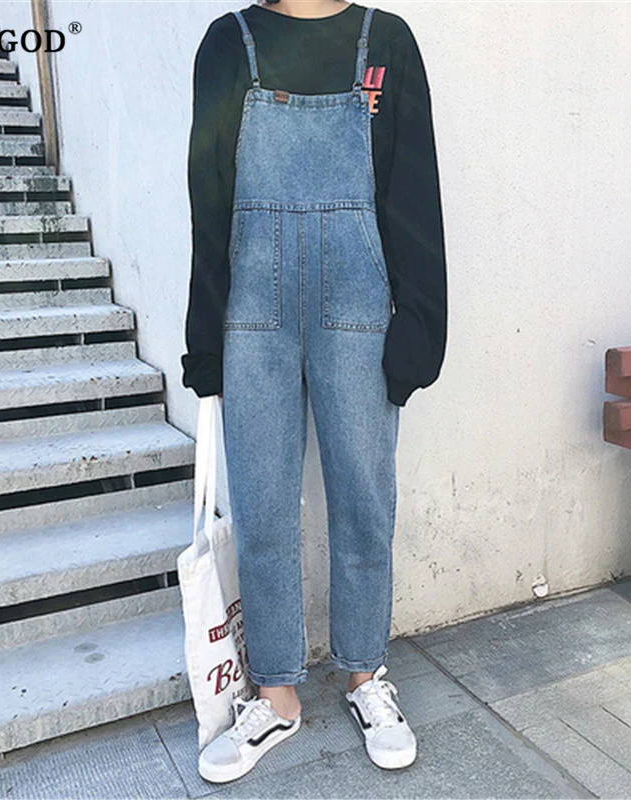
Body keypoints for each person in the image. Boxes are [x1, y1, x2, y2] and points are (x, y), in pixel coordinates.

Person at [181, 0, 447, 783]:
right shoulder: (228, 43)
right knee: (262, 504)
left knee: (364, 496)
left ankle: (365, 675)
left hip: (359, 313)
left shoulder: (385, 41)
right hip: (251, 318)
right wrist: (205, 340)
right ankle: (276, 693)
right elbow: (208, 200)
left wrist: (420, 327)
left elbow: (414, 190)